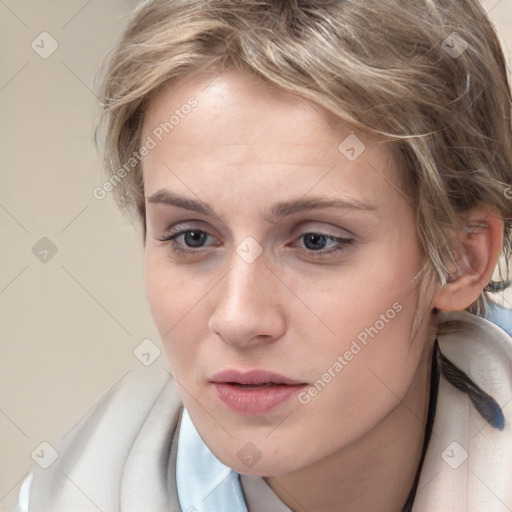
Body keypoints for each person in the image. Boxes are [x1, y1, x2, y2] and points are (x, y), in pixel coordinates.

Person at [18, 0, 512, 510]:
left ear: (460, 259)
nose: (238, 319)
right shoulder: (74, 492)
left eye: (316, 240)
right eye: (192, 237)